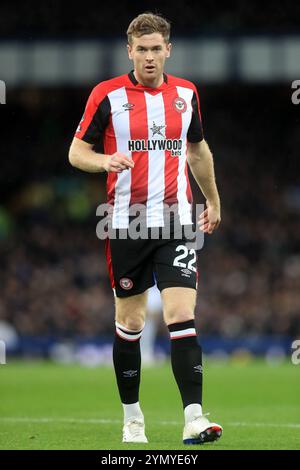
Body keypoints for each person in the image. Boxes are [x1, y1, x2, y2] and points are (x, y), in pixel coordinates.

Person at [69, 12, 222, 445]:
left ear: (168, 50)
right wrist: (103, 160)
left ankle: (193, 417)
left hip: (177, 219)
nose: (150, 57)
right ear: (130, 51)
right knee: (131, 321)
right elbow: (76, 152)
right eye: (142, 50)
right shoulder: (107, 95)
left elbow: (197, 151)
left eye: (157, 49)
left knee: (180, 315)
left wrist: (212, 199)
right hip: (127, 223)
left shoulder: (187, 94)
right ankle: (133, 418)